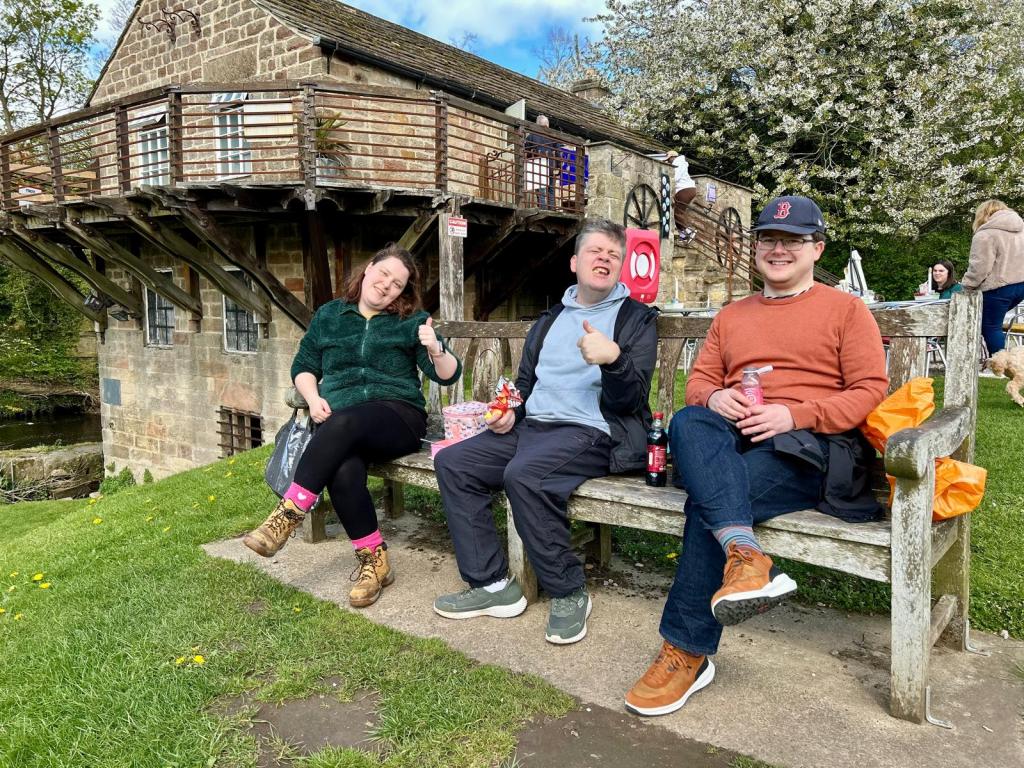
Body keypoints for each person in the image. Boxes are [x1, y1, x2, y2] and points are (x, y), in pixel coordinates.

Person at [624, 195, 888, 716]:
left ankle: (685, 652)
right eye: (768, 238)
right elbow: (698, 384)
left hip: (805, 448)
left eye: (793, 240)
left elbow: (869, 391)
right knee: (690, 420)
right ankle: (746, 556)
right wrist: (714, 396)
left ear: (817, 249)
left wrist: (795, 414)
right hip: (732, 439)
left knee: (709, 502)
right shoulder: (732, 315)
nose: (778, 249)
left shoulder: (846, 310)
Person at [432, 218, 658, 645]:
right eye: (595, 251)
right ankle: (492, 585)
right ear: (574, 263)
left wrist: (613, 359)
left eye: (614, 255)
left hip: (590, 431)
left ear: (620, 267)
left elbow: (632, 401)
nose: (605, 259)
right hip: (533, 427)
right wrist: (510, 413)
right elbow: (525, 385)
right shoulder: (550, 320)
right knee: (454, 462)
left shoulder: (635, 319)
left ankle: (569, 590)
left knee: (525, 476)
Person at [243, 245, 461, 608]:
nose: (387, 285)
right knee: (343, 468)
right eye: (384, 274)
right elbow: (304, 366)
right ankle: (375, 561)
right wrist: (313, 398)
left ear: (403, 292)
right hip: (342, 426)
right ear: (368, 268)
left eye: (397, 284)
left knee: (343, 423)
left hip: (398, 418)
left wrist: (436, 350)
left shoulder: (412, 321)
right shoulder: (330, 315)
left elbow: (448, 375)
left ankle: (288, 514)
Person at [961, 199, 1024, 355]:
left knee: (990, 326)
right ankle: (1001, 360)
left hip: (998, 287)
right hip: (1020, 286)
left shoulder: (985, 234)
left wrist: (966, 286)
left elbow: (979, 267)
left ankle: (999, 363)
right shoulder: (1021, 230)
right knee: (993, 324)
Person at [525, 114, 559, 209]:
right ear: (547, 124)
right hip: (550, 167)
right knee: (551, 190)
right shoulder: (552, 136)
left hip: (538, 166)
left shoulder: (531, 136)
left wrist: (529, 159)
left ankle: (543, 209)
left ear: (537, 124)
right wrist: (558, 166)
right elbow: (558, 152)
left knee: (541, 191)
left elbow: (525, 150)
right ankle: (551, 209)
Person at [665, 150, 697, 243]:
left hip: (685, 189)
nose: (668, 161)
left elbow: (676, 177)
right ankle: (683, 235)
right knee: (679, 211)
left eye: (669, 159)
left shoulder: (678, 163)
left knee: (677, 213)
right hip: (687, 189)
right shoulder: (680, 162)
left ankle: (689, 231)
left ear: (673, 157)